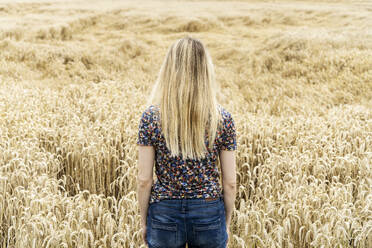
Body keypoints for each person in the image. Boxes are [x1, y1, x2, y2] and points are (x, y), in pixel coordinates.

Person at [136, 36, 237, 248]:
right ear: (205, 72)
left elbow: (144, 180)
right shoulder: (222, 119)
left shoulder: (151, 117)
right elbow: (230, 183)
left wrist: (144, 222)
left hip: (164, 212)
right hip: (209, 211)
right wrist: (224, 223)